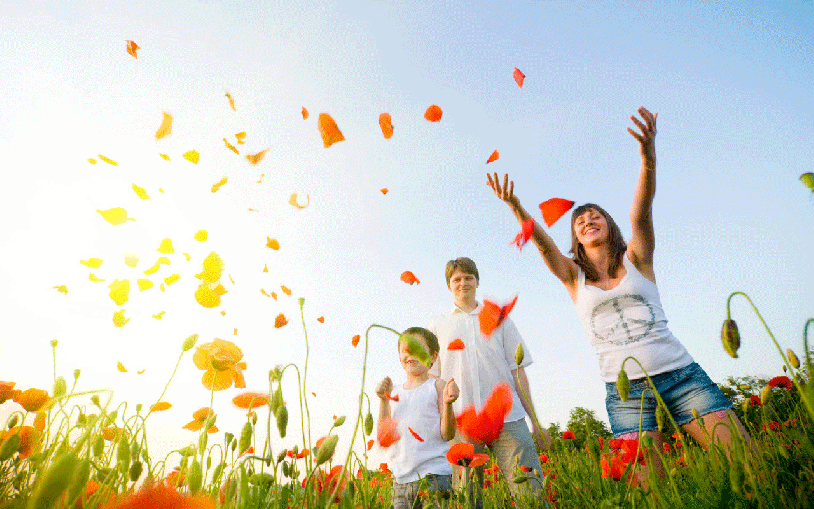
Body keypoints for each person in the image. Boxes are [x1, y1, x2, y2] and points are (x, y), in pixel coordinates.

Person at [486, 106, 752, 478]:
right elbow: (545, 246)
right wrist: (515, 206)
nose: (587, 220)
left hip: (682, 376)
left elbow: (641, 214)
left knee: (747, 463)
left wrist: (648, 160)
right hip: (626, 394)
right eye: (579, 221)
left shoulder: (638, 258)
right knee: (650, 490)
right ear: (576, 238)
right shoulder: (571, 276)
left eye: (595, 215)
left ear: (608, 225)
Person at [428, 257, 549, 506]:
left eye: (468, 278)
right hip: (462, 421)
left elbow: (518, 372)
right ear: (448, 285)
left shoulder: (499, 318)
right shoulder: (437, 325)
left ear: (478, 281)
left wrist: (535, 422)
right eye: (456, 279)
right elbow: (433, 380)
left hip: (508, 419)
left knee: (531, 494)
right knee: (467, 499)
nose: (463, 283)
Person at [376, 327, 459, 509]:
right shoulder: (394, 392)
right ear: (400, 358)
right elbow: (384, 438)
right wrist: (383, 401)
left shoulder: (437, 386)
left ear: (433, 356)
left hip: (435, 478)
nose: (410, 354)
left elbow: (447, 434)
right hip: (401, 481)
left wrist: (448, 404)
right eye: (405, 350)